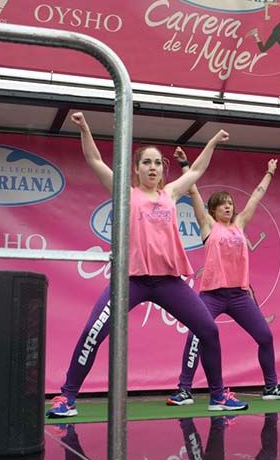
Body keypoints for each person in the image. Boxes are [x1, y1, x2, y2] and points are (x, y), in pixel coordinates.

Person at [47, 112, 247, 418]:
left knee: (208, 330)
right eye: (146, 163)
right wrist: (85, 128)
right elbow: (95, 160)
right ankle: (67, 397)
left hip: (168, 282)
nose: (152, 167)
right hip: (132, 281)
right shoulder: (126, 194)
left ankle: (218, 396)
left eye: (156, 163)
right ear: (136, 169)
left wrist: (213, 141)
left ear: (162, 169)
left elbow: (197, 170)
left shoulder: (171, 193)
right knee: (92, 331)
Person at [166, 147, 280, 405]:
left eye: (230, 203)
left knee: (265, 336)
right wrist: (184, 163)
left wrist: (269, 173)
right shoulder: (208, 225)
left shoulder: (239, 224)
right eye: (222, 204)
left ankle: (271, 387)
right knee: (195, 336)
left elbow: (256, 196)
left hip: (238, 295)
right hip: (212, 295)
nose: (228, 206)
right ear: (213, 210)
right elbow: (193, 191)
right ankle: (184, 390)